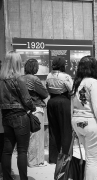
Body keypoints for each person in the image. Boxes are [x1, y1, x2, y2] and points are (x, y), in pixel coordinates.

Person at [0, 51, 36, 180]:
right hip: (20, 117)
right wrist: (33, 107)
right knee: (22, 151)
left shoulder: (1, 80)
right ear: (17, 63)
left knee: (7, 150)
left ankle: (7, 178)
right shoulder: (18, 79)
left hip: (6, 117)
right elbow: (27, 100)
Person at [46, 56, 73, 164]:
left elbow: (47, 88)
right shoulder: (65, 76)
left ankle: (53, 158)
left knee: (53, 130)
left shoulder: (48, 75)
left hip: (51, 102)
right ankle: (66, 156)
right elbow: (71, 90)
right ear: (62, 65)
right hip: (63, 101)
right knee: (66, 129)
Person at [22, 59, 48, 167]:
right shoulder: (34, 79)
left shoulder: (21, 78)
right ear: (34, 68)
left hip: (25, 110)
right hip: (36, 108)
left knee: (30, 136)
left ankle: (31, 160)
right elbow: (45, 93)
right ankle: (37, 161)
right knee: (38, 136)